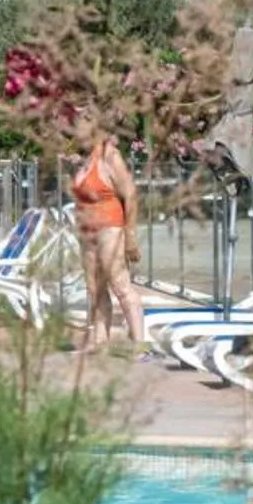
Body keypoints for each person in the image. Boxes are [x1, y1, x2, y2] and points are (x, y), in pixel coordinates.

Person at [71, 131, 145, 351]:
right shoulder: (83, 160)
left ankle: (141, 345)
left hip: (109, 228)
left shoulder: (109, 155)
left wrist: (130, 236)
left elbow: (130, 194)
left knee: (120, 285)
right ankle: (99, 341)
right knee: (95, 288)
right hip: (87, 231)